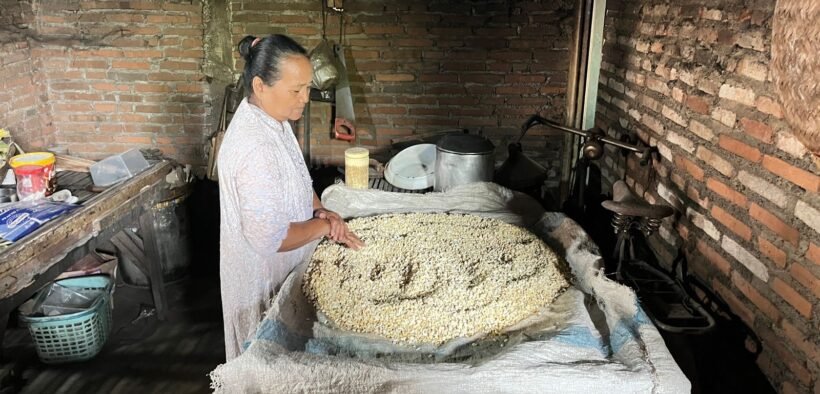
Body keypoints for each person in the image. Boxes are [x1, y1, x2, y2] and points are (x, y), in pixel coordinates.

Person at [217, 34, 364, 360]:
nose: (304, 98)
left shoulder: (272, 118)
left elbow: (298, 175)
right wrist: (325, 228)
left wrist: (321, 210)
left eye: (308, 88)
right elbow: (270, 237)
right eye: (295, 91)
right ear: (260, 86)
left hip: (284, 266)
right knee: (263, 362)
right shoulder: (255, 147)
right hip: (260, 277)